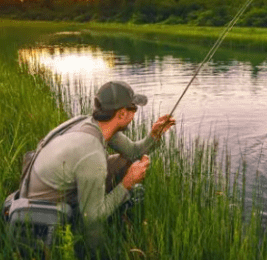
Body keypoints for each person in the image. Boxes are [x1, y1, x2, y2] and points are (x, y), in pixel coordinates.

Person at [23, 81, 175, 248]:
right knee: (95, 218)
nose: (134, 115)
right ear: (122, 114)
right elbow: (92, 217)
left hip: (50, 186)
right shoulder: (92, 154)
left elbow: (132, 153)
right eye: (133, 109)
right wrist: (127, 183)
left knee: (124, 161)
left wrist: (154, 135)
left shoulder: (94, 124)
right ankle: (94, 250)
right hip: (45, 210)